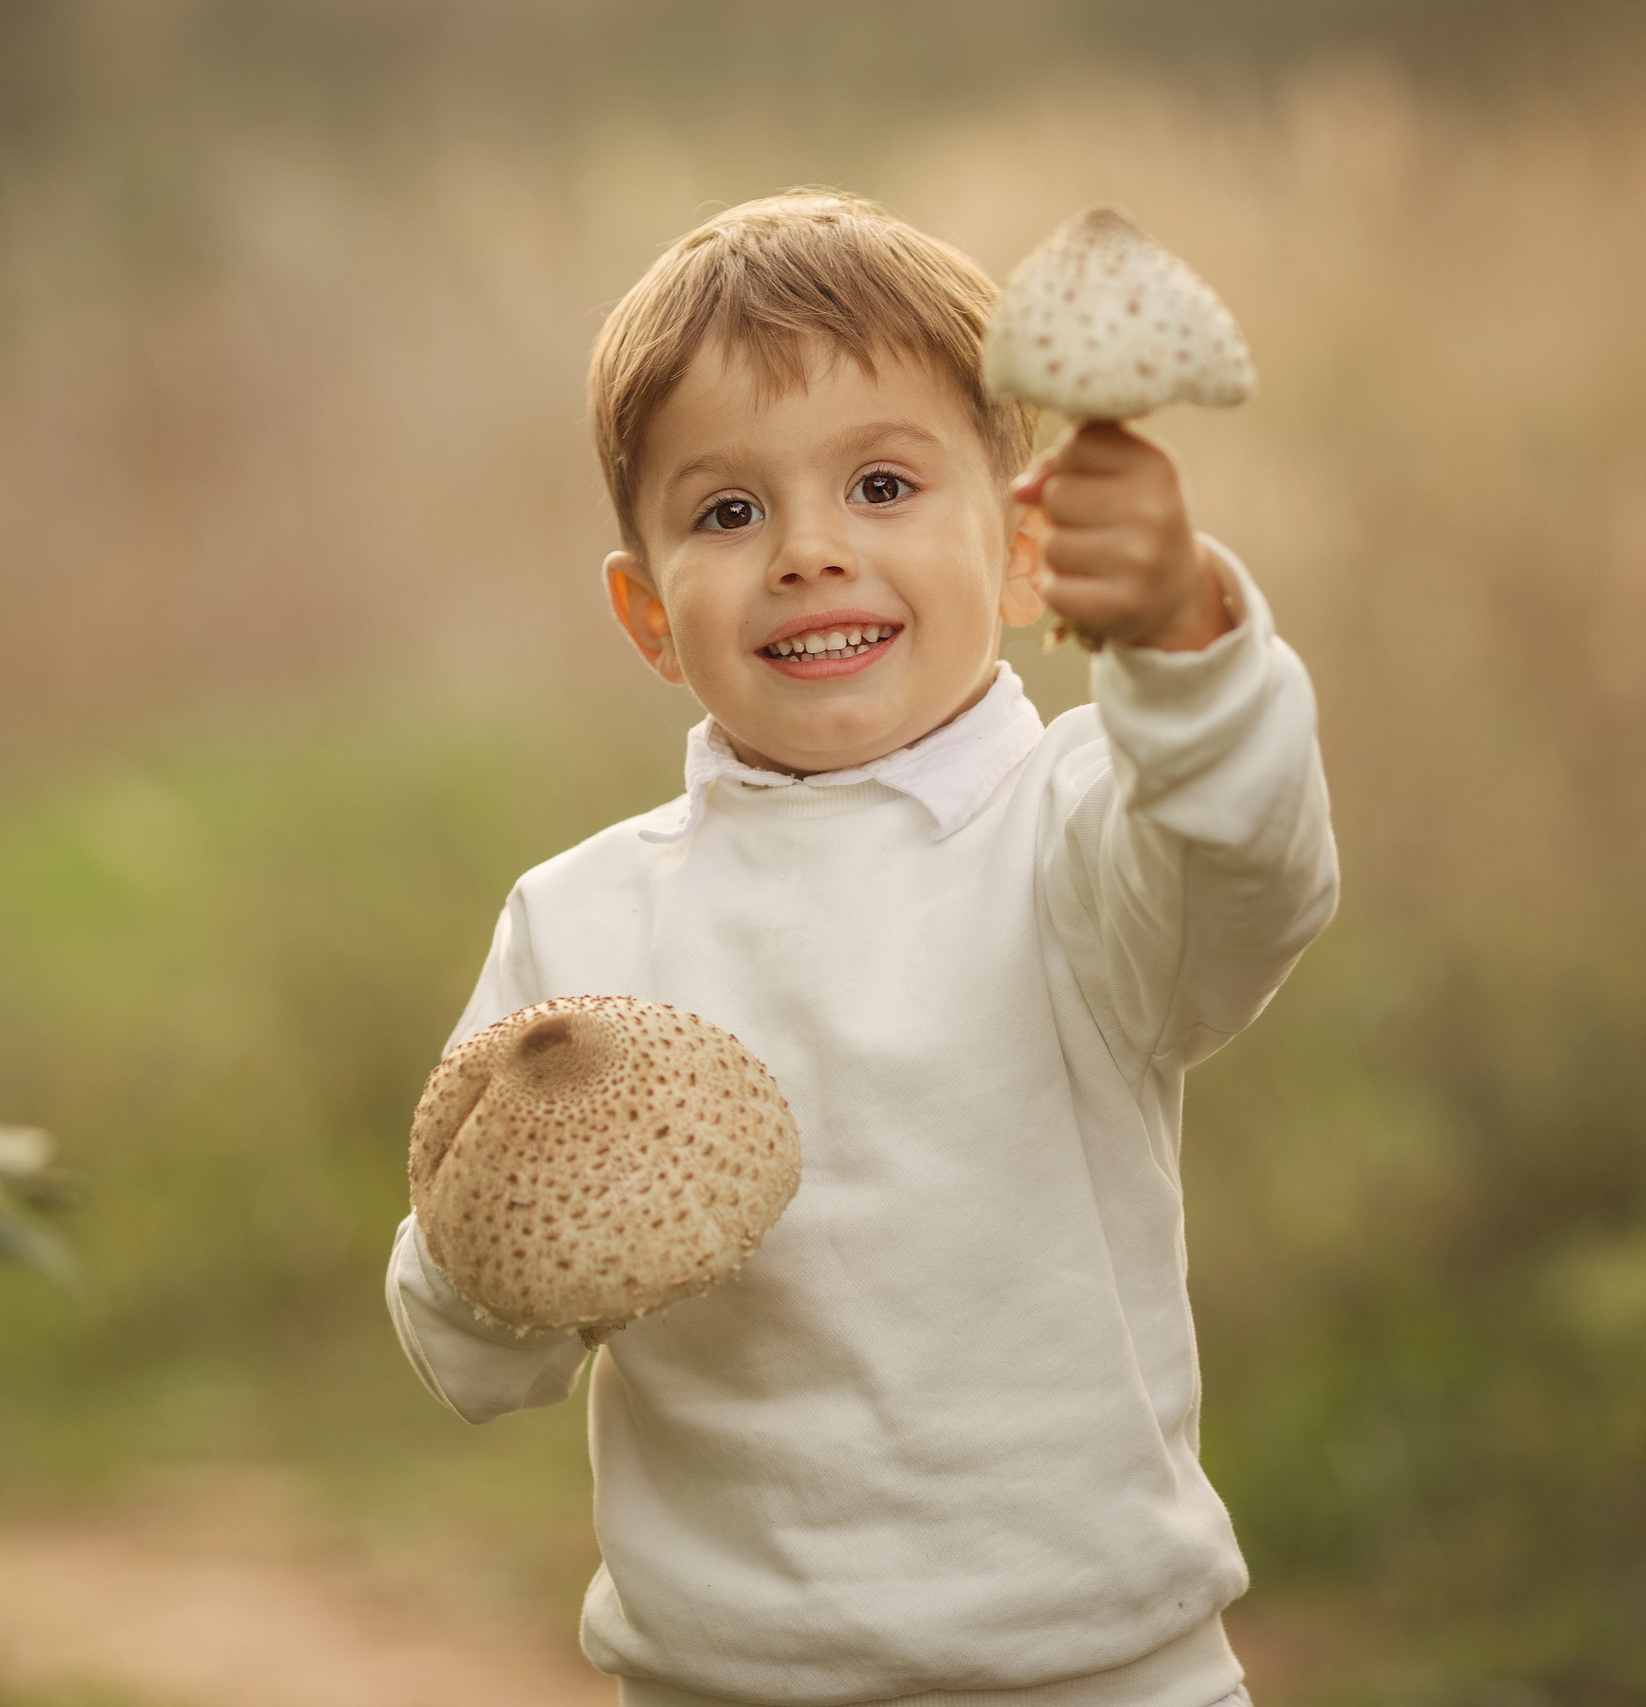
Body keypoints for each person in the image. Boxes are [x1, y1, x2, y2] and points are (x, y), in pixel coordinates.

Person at [385, 190, 1338, 1707]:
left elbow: (1254, 871)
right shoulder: (581, 929)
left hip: (1099, 1676)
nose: (810, 552)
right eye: (727, 511)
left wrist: (1183, 639)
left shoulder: (1081, 833)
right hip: (720, 1685)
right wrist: (499, 1255)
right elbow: (476, 1355)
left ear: (1027, 554)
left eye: (883, 483)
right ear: (647, 615)